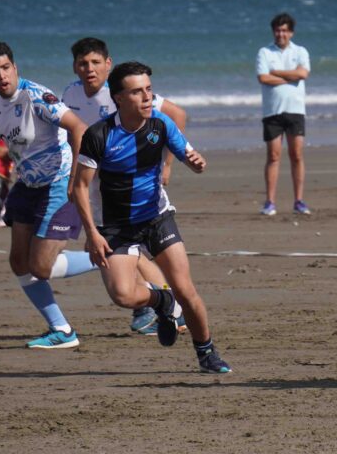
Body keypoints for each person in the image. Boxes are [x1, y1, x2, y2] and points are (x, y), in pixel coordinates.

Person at [73, 61, 231, 373]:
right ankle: (161, 302)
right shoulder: (99, 135)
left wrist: (196, 163)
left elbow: (189, 155)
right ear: (118, 98)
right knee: (122, 294)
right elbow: (78, 188)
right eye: (137, 92)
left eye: (148, 89)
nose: (146, 97)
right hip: (115, 226)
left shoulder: (160, 124)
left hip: (157, 217)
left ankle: (207, 353)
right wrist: (92, 234)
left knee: (185, 289)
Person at [0, 41, 101, 348]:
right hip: (28, 186)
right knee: (19, 260)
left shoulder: (36, 96)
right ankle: (62, 330)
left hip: (58, 183)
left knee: (41, 267)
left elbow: (80, 129)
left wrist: (75, 181)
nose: (2, 75)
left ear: (15, 68)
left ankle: (109, 255)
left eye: (6, 68)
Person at [62, 37, 187, 335]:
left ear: (108, 64)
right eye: (82, 63)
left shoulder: (123, 93)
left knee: (132, 248)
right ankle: (164, 304)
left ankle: (158, 305)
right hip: (98, 187)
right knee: (128, 251)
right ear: (75, 67)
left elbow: (177, 115)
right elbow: (75, 138)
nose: (89, 69)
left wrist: (167, 164)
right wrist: (72, 177)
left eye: (95, 62)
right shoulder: (71, 93)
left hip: (136, 185)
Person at [255, 13, 311, 216]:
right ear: (273, 32)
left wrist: (277, 72)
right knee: (274, 155)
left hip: (295, 109)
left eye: (285, 30)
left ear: (291, 32)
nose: (281, 34)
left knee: (296, 155)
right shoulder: (265, 52)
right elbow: (263, 77)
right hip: (273, 111)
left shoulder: (300, 51)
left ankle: (299, 200)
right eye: (278, 30)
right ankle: (270, 201)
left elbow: (303, 74)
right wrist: (290, 77)